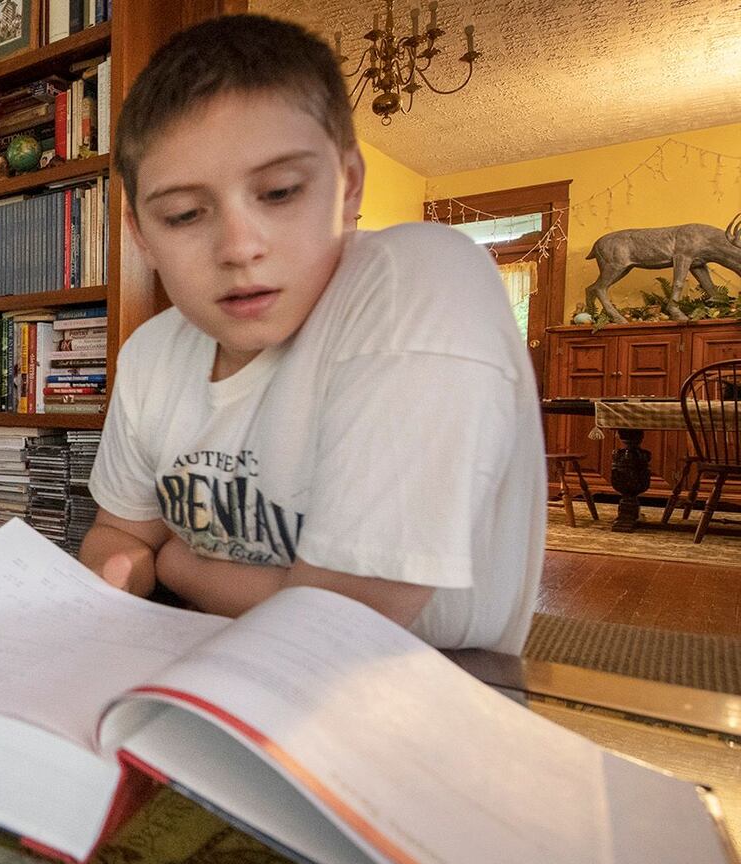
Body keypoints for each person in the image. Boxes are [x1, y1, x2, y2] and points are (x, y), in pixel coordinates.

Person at [78, 14, 546, 654]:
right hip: (203, 673)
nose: (240, 247)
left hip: (414, 701)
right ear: (140, 235)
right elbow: (121, 535)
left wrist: (178, 566)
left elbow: (339, 625)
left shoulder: (423, 280)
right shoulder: (152, 353)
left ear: (348, 185)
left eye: (279, 191)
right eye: (185, 214)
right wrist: (123, 572)